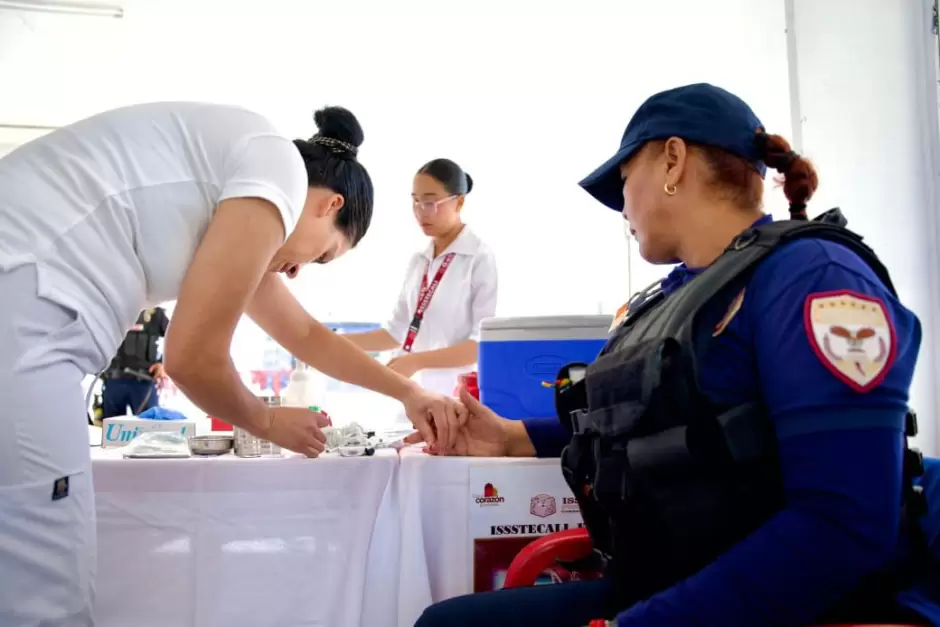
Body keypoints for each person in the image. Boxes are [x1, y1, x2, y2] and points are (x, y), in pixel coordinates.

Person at [412, 83, 936, 626]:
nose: (623, 210)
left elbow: (842, 524)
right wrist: (512, 437)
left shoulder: (813, 279)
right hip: (666, 580)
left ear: (673, 159)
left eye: (623, 183)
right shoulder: (682, 297)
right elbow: (664, 427)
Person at [0, 102, 465, 627]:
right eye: (322, 256)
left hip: (25, 301)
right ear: (328, 203)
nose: (296, 273)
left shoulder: (242, 181)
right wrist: (266, 421)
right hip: (23, 304)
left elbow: (306, 334)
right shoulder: (277, 172)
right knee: (46, 580)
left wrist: (410, 394)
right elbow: (192, 358)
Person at [346, 158, 497, 402]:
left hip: (458, 398)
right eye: (415, 201)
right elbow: (395, 333)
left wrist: (416, 361)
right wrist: (333, 342)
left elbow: (479, 346)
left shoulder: (479, 258)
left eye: (430, 202)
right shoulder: (420, 261)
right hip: (412, 395)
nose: (421, 212)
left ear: (459, 202)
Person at [100, 306, 170, 418]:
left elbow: (176, 336)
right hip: (114, 380)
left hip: (143, 382)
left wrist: (163, 364)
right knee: (110, 430)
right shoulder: (111, 309)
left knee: (149, 429)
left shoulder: (155, 313)